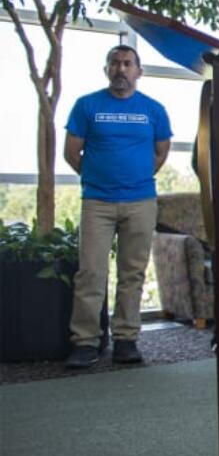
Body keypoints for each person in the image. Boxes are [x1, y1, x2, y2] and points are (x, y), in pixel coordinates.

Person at [63, 45, 172, 369]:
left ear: (139, 71)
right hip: (97, 202)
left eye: (127, 64)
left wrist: (134, 177)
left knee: (132, 273)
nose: (121, 69)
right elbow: (72, 153)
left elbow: (161, 152)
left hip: (140, 202)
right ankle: (85, 342)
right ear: (106, 69)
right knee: (91, 273)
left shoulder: (153, 110)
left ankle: (126, 339)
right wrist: (99, 177)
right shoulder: (87, 106)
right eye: (115, 63)